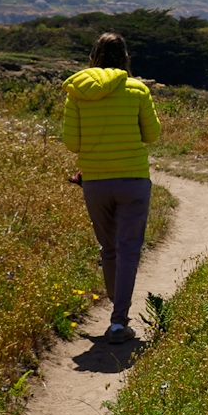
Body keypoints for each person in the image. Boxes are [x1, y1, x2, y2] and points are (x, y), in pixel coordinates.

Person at [61, 32, 161, 343]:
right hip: (132, 180)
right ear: (125, 58)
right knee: (129, 249)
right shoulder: (137, 90)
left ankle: (117, 317)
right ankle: (119, 322)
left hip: (95, 182)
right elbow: (152, 136)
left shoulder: (76, 92)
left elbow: (71, 143)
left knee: (110, 250)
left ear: (94, 56)